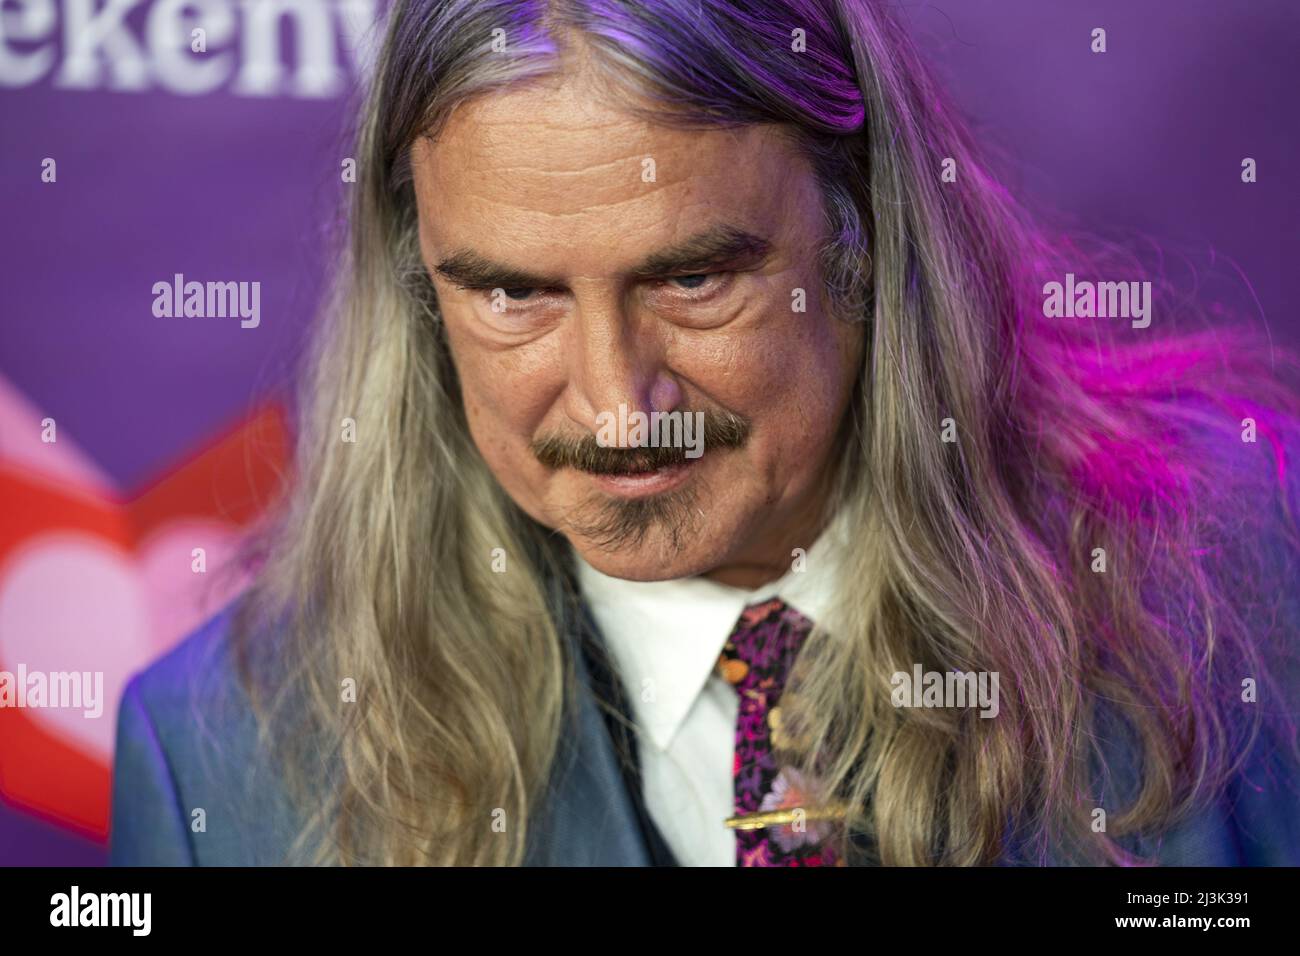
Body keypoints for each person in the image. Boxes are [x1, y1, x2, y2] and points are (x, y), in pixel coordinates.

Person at [110, 0, 1300, 867]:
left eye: (692, 281)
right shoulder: (227, 761)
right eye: (513, 295)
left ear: (865, 236)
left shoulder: (1254, 569)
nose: (616, 402)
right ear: (419, 288)